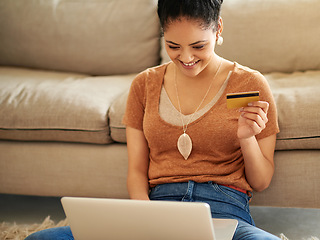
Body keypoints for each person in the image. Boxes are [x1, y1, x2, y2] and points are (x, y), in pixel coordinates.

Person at [25, 0, 280, 239]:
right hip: (158, 208)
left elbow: (261, 181)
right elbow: (136, 171)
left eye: (198, 46)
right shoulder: (144, 85)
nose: (187, 58)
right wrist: (145, 219)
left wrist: (247, 138)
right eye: (173, 46)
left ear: (218, 28)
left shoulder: (249, 83)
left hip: (225, 212)